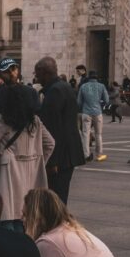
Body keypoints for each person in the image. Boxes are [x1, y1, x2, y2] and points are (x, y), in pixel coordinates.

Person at [0, 85, 54, 234]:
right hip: (30, 174)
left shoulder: (3, 120)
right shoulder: (35, 121)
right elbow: (50, 144)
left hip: (8, 172)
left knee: (7, 216)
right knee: (24, 217)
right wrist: (39, 162)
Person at [34, 57, 85, 205]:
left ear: (45, 73)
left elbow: (53, 128)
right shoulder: (65, 87)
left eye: (38, 75)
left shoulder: (55, 91)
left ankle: (58, 225)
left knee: (56, 198)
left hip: (61, 155)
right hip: (69, 151)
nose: (37, 78)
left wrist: (52, 161)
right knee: (60, 195)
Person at [77, 71, 109, 161]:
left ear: (89, 77)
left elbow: (79, 102)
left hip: (86, 112)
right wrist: (100, 103)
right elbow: (106, 100)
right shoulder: (101, 86)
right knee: (98, 134)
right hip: (97, 112)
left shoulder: (83, 86)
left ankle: (86, 154)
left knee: (85, 134)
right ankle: (99, 154)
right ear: (97, 78)